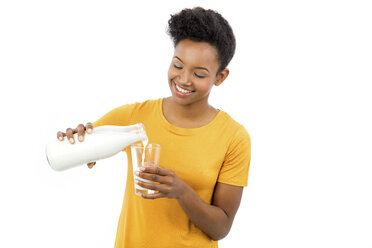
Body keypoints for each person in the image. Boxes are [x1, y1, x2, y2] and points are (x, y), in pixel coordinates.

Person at [57, 7, 251, 248]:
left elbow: (221, 228)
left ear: (220, 77)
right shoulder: (134, 117)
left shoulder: (233, 137)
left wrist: (181, 191)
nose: (184, 79)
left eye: (199, 73)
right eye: (178, 66)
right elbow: (84, 147)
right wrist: (77, 138)